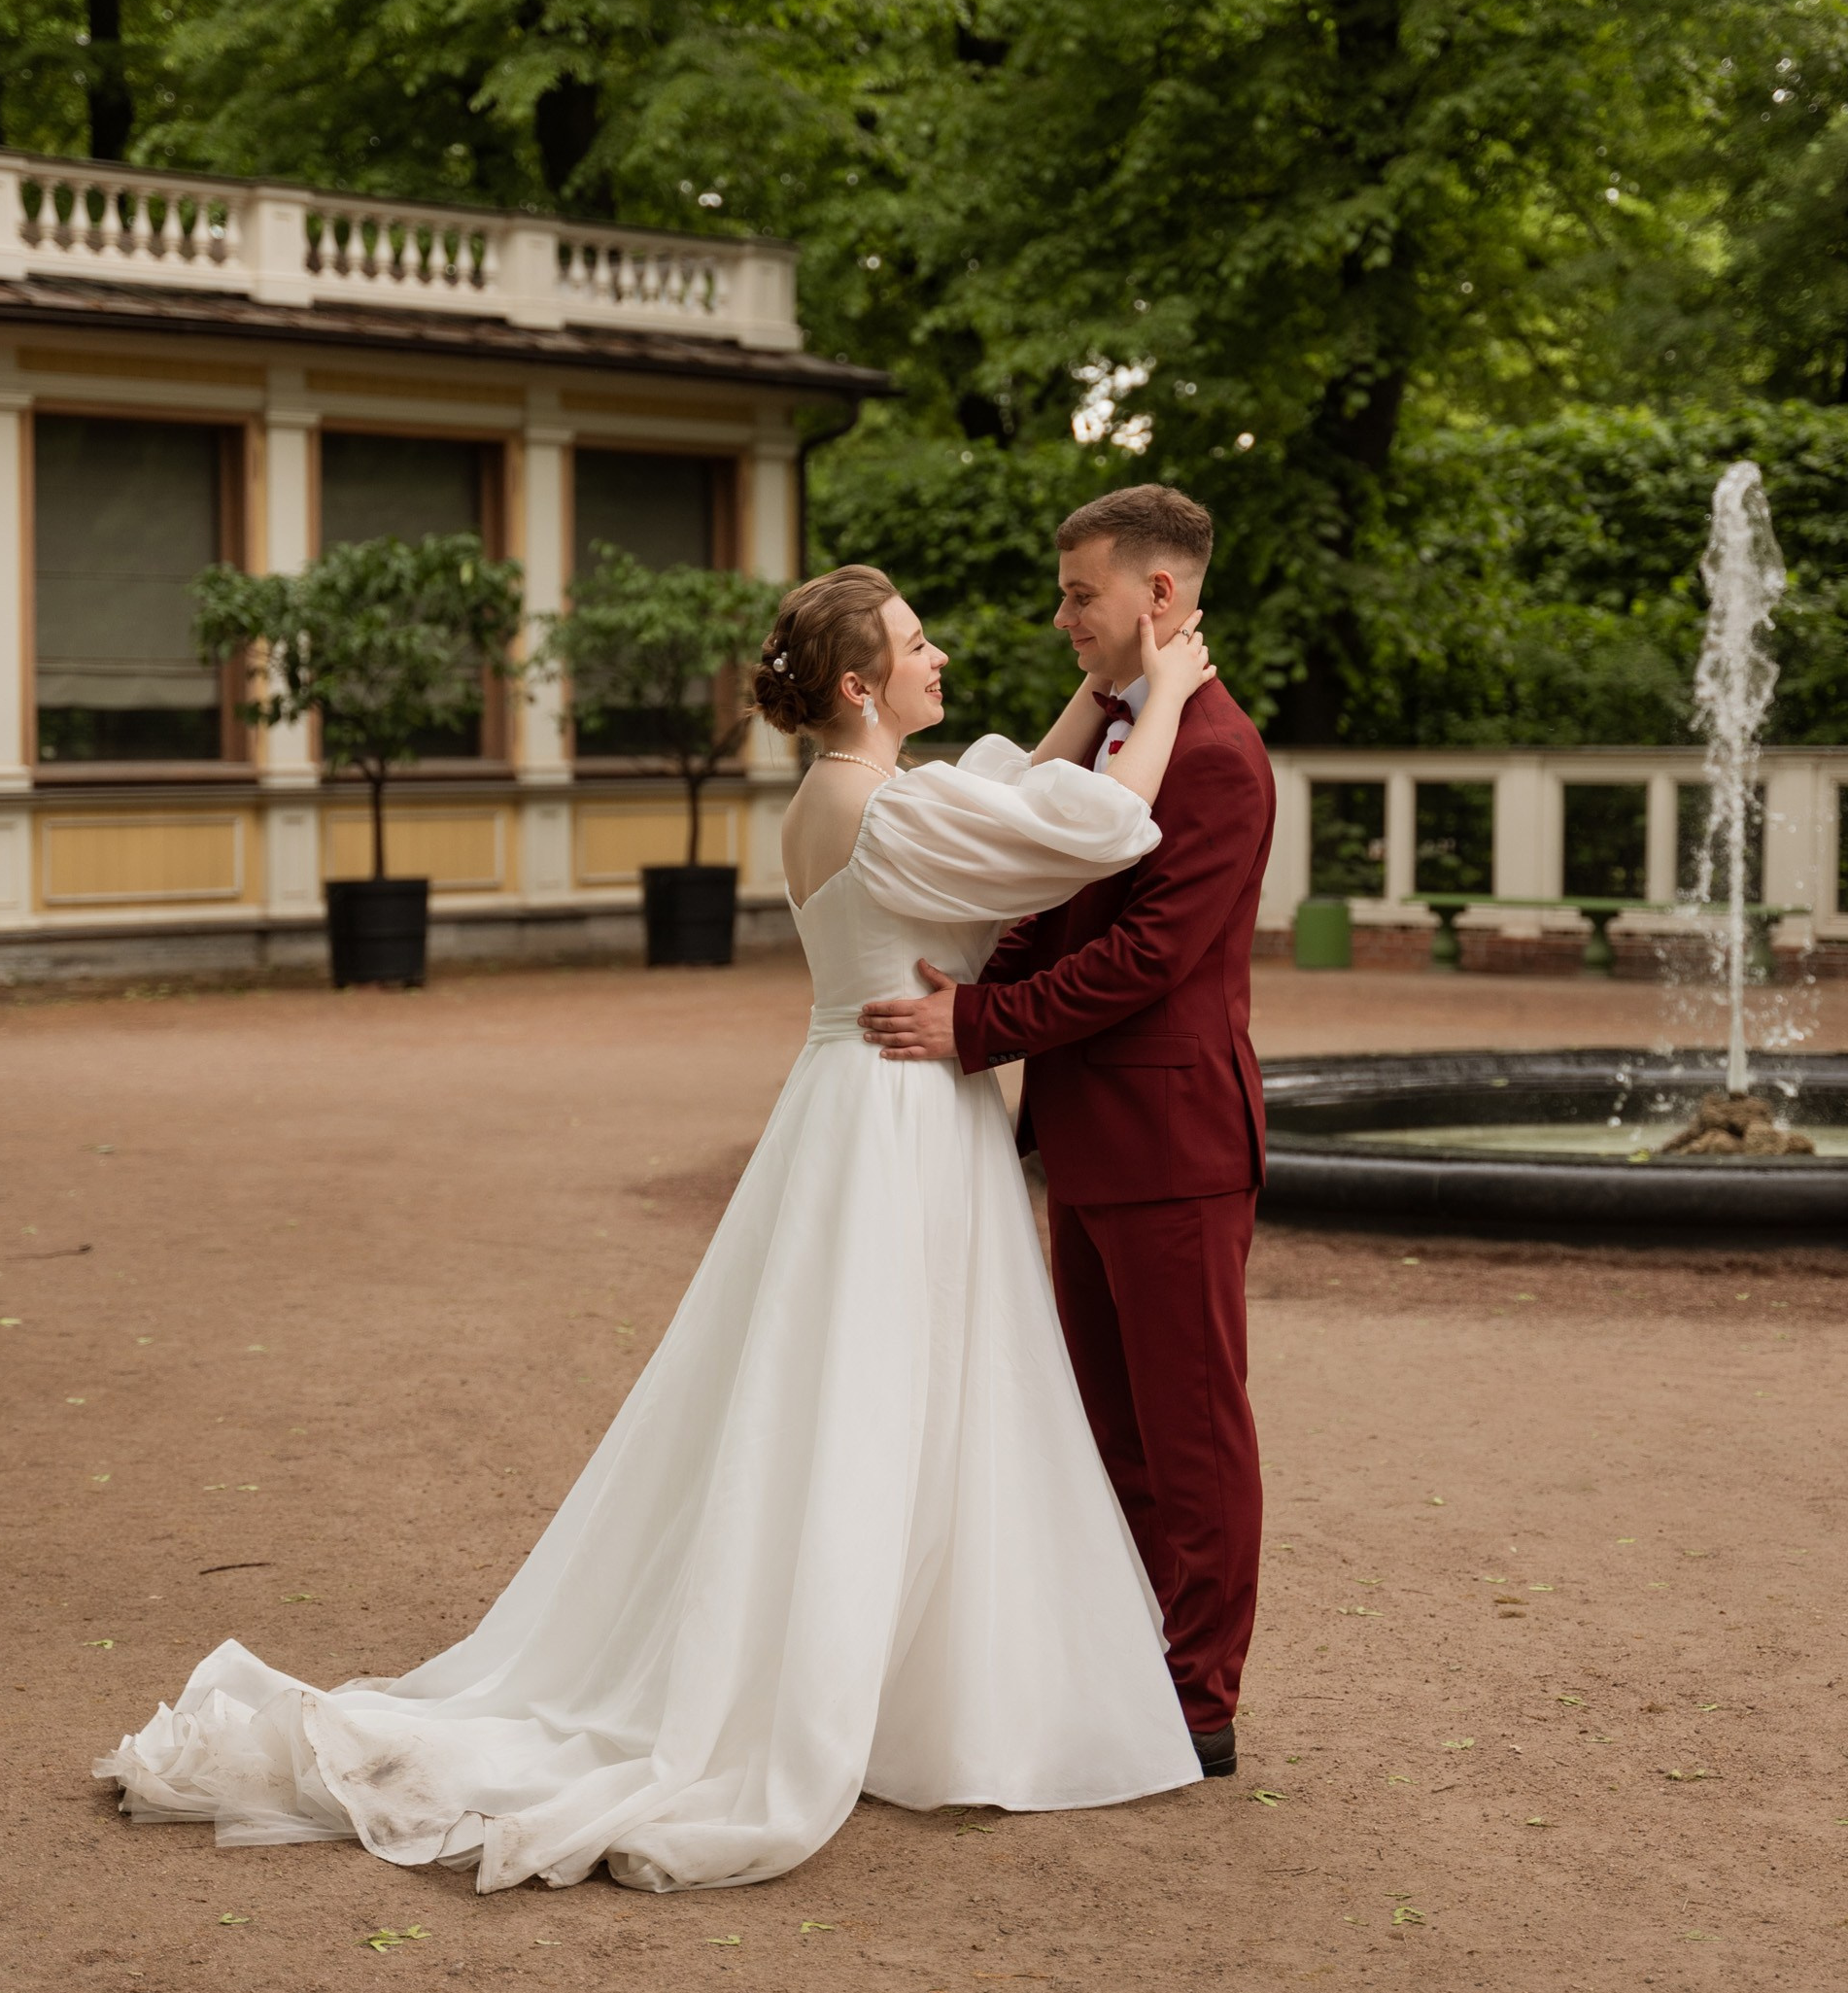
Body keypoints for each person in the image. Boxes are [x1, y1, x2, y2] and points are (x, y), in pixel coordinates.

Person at [95, 566, 1219, 1894]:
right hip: (896, 1117)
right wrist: (1168, 695)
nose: (943, 659)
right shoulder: (887, 809)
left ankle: (895, 1674)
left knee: (866, 1394)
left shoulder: (852, 797)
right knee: (874, 1397)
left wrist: (1097, 692)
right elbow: (1088, 831)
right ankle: (858, 1687)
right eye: (919, 646)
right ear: (860, 686)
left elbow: (1011, 798)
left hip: (866, 1105)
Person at [860, 488, 1276, 1779]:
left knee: (1190, 1433)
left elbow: (1152, 957)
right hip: (1093, 1139)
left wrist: (982, 1024)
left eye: (1081, 594)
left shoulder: (1212, 754)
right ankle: (1127, 1670)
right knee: (1108, 1431)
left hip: (1174, 1147)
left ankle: (1200, 1700)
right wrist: (983, 976)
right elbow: (1050, 891)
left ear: (1158, 597)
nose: (1061, 619)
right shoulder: (1124, 735)